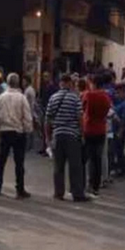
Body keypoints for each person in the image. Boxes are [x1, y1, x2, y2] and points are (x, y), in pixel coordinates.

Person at [46, 74, 88, 202]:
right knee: (75, 166)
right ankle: (77, 193)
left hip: (57, 135)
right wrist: (82, 134)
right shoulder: (75, 98)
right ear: (69, 83)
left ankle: (58, 193)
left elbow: (47, 119)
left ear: (60, 83)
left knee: (58, 166)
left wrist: (48, 138)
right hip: (72, 135)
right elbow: (80, 118)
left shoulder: (53, 98)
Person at [0, 73, 33, 199]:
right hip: (18, 132)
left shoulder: (0, 98)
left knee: (1, 160)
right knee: (19, 162)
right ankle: (20, 189)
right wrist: (28, 130)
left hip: (4, 131)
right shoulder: (21, 98)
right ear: (18, 83)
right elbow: (27, 116)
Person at [81, 73, 112, 196]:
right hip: (101, 129)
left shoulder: (88, 95)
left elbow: (83, 109)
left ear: (93, 83)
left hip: (89, 128)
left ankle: (89, 183)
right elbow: (107, 110)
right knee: (98, 158)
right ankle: (96, 185)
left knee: (89, 157)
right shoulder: (105, 96)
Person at [112, 84, 125, 179]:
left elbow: (124, 119)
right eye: (116, 93)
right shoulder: (118, 103)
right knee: (117, 150)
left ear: (124, 93)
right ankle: (120, 169)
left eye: (119, 93)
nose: (117, 95)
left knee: (119, 150)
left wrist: (120, 131)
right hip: (116, 129)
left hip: (121, 130)